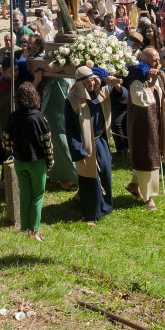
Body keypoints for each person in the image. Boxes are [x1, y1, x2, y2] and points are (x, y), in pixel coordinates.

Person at [124, 47, 165, 211]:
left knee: (152, 153)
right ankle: (150, 198)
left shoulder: (161, 76)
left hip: (157, 121)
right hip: (142, 123)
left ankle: (134, 184)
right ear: (144, 61)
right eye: (155, 60)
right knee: (147, 155)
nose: (158, 62)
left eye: (159, 59)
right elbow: (140, 99)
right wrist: (152, 83)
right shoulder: (136, 77)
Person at [3, 82, 54, 240]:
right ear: (35, 98)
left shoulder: (13, 117)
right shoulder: (39, 117)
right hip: (37, 161)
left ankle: (24, 229)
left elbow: (7, 141)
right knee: (38, 196)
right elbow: (46, 141)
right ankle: (35, 230)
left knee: (25, 195)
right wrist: (50, 161)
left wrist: (12, 149)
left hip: (19, 161)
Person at [65, 66, 115, 224]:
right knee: (88, 179)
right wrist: (79, 152)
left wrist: (116, 83)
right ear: (80, 83)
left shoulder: (100, 91)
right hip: (85, 144)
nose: (92, 84)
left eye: (93, 80)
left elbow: (124, 95)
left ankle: (105, 207)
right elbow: (71, 129)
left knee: (105, 173)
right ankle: (90, 214)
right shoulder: (72, 99)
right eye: (88, 82)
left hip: (100, 140)